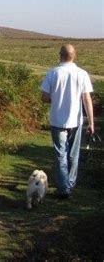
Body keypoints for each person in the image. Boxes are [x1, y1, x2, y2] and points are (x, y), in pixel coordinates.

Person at [40, 44, 94, 198]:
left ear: (60, 55)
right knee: (73, 155)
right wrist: (91, 122)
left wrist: (55, 100)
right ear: (74, 56)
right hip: (76, 121)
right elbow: (87, 99)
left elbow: (44, 97)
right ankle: (69, 184)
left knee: (60, 154)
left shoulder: (52, 73)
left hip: (57, 120)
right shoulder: (82, 74)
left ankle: (63, 188)